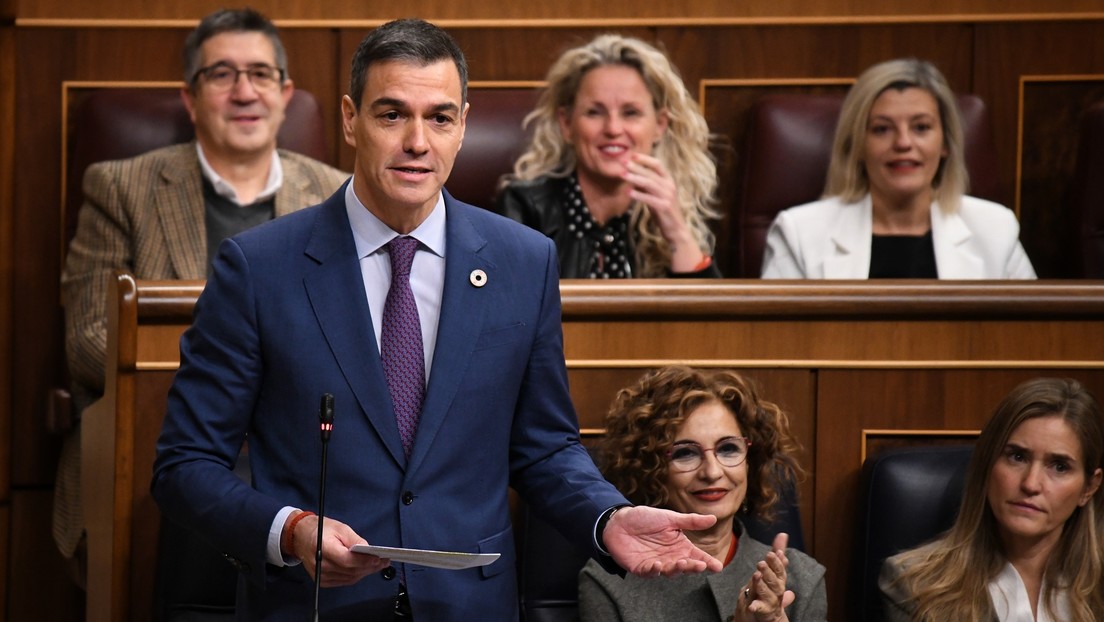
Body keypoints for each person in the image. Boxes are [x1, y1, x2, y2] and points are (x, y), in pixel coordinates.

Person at [151, 19, 723, 620]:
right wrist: (289, 528)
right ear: (351, 119)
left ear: (463, 126)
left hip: (470, 604)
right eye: (391, 114)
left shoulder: (524, 262)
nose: (417, 141)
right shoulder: (258, 268)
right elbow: (185, 464)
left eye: (440, 118)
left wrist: (607, 517)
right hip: (316, 605)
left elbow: (545, 448)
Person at [53, 7, 348, 582]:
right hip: (147, 447)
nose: (245, 91)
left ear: (286, 94)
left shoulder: (337, 195)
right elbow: (88, 341)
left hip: (304, 462)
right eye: (222, 74)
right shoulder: (121, 188)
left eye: (261, 74)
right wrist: (233, 379)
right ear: (190, 98)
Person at [580, 366, 827, 621]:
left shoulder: (802, 578)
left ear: (749, 463)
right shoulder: (608, 582)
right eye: (685, 453)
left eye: (728, 448)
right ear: (652, 470)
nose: (711, 472)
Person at [760, 58, 1036, 279]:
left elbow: (1027, 341)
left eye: (921, 127)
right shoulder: (800, 233)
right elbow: (779, 343)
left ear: (945, 143)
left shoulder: (996, 230)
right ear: (857, 145)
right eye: (882, 129)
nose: (903, 142)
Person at [495, 34, 721, 278]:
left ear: (660, 125)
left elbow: (711, 315)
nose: (613, 129)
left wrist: (677, 232)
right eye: (594, 112)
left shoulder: (683, 204)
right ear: (567, 123)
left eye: (631, 113)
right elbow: (508, 308)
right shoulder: (526, 206)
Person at [879, 377, 1104, 622]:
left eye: (1059, 467)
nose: (1031, 484)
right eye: (1017, 457)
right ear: (987, 464)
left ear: (1089, 488)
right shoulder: (916, 587)